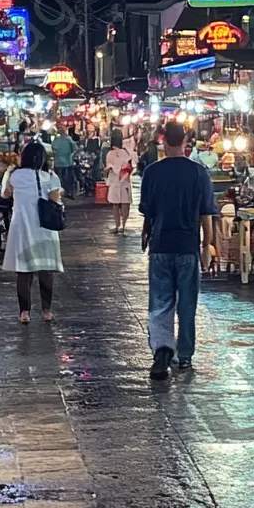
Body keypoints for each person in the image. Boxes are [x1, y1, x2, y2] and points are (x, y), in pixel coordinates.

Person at [139, 121, 217, 380]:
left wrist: (145, 234)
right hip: (187, 247)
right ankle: (184, 356)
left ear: (163, 141)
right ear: (186, 141)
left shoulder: (152, 172)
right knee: (186, 304)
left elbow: (148, 212)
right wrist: (208, 246)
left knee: (160, 303)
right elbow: (206, 214)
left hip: (160, 246)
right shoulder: (199, 173)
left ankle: (162, 351)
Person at [2, 141, 64, 323]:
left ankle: (24, 313)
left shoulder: (16, 175)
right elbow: (55, 198)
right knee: (46, 270)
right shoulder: (50, 176)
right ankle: (46, 311)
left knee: (23, 270)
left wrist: (8, 174)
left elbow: (5, 194)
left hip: (21, 225)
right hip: (44, 227)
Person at [105, 128, 134, 233]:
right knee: (125, 204)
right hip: (124, 181)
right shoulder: (126, 153)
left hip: (114, 182)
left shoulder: (110, 154)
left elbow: (108, 168)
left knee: (115, 205)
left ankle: (117, 226)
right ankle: (124, 225)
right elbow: (131, 166)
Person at [52, 125, 79, 200]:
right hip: (67, 162)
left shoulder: (57, 139)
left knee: (59, 179)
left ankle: (61, 194)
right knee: (69, 179)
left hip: (59, 163)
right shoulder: (68, 139)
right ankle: (69, 193)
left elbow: (53, 149)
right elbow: (75, 149)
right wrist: (71, 156)